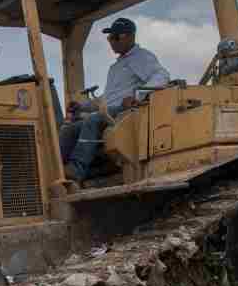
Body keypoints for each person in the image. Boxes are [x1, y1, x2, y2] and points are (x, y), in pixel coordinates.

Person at [60, 17, 170, 181]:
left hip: (125, 111)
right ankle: (57, 167)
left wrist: (136, 96)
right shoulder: (116, 67)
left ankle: (77, 169)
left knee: (92, 121)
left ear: (129, 37)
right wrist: (82, 107)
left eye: (115, 37)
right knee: (69, 129)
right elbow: (107, 98)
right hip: (110, 110)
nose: (111, 42)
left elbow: (162, 76)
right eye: (110, 38)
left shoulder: (141, 57)